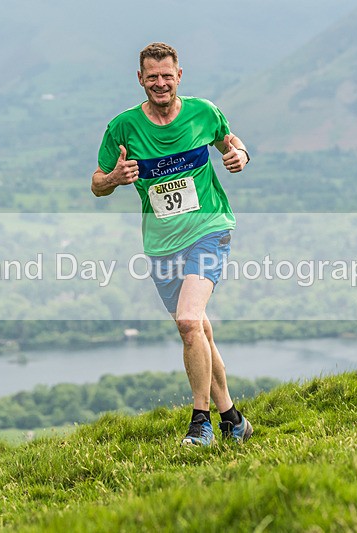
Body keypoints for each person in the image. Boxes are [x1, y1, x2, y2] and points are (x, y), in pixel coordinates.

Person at [91, 42, 253, 446]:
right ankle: (233, 418)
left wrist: (241, 156)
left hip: (209, 228)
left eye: (167, 76)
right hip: (162, 243)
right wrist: (116, 178)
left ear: (179, 76)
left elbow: (231, 142)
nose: (160, 83)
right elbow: (96, 183)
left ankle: (201, 424)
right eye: (152, 77)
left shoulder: (204, 112)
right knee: (198, 330)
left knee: (186, 321)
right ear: (140, 79)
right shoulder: (123, 128)